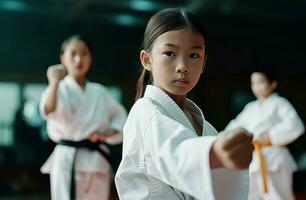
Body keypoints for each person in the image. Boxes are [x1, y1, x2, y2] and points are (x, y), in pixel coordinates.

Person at [115, 8, 254, 200]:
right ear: (147, 60)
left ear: (204, 63)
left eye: (194, 55)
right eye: (170, 53)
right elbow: (172, 153)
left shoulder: (207, 128)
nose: (183, 66)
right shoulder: (145, 111)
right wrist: (215, 153)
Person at [39, 35, 127, 200]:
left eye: (84, 53)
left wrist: (106, 134)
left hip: (96, 159)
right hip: (67, 157)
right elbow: (47, 110)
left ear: (91, 58)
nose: (78, 59)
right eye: (73, 54)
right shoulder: (59, 88)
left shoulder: (99, 92)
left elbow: (121, 118)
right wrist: (53, 83)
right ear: (62, 58)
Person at [224, 67, 305, 200]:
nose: (256, 86)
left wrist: (271, 136)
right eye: (253, 82)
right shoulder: (251, 107)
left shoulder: (280, 103)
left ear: (272, 84)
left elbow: (296, 126)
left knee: (277, 196)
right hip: (254, 159)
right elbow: (236, 125)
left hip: (274, 159)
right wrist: (223, 137)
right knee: (250, 196)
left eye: (261, 82)